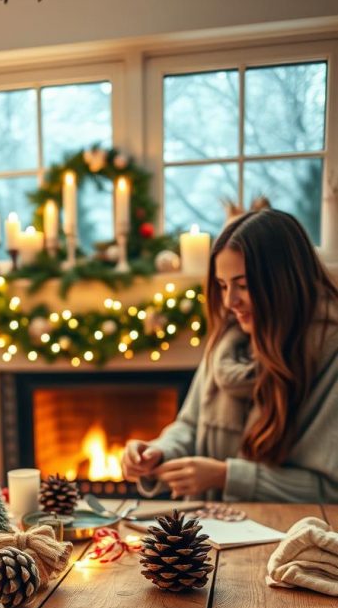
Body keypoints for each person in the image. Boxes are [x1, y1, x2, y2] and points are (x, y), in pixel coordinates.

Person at [121, 209, 338, 502]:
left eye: (244, 285)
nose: (229, 301)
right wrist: (159, 451)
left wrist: (226, 476)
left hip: (287, 538)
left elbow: (328, 489)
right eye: (223, 286)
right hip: (209, 531)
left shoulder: (329, 354)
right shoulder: (225, 345)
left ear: (284, 281)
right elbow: (189, 425)